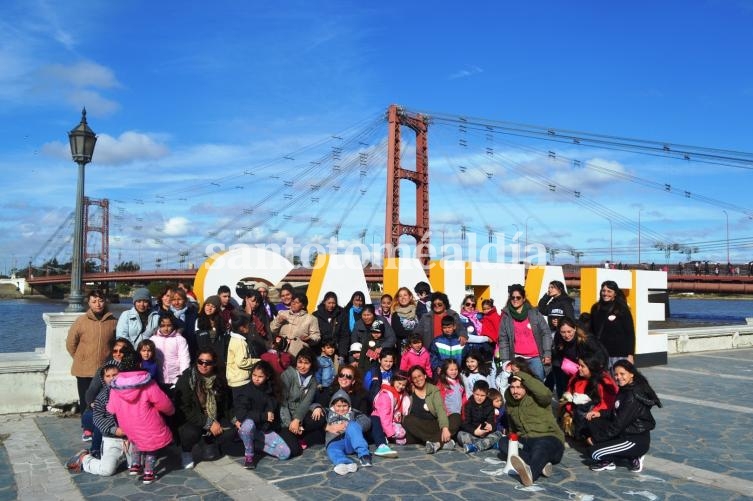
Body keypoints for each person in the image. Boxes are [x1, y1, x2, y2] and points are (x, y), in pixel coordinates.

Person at [107, 348, 175, 485]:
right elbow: (163, 403)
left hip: (127, 424)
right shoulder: (147, 382)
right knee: (151, 447)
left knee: (136, 440)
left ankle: (135, 464)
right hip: (148, 422)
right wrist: (171, 411)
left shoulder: (116, 385)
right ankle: (149, 472)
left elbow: (111, 408)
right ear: (139, 364)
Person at [587, 360, 662, 473]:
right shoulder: (625, 389)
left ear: (631, 374)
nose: (618, 377)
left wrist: (596, 439)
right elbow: (617, 412)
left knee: (594, 453)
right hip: (624, 432)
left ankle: (634, 456)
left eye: (622, 374)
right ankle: (613, 457)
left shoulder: (633, 396)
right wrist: (600, 413)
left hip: (634, 439)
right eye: (616, 375)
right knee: (593, 420)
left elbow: (618, 425)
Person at [66, 290, 117, 440]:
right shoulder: (81, 321)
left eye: (100, 300)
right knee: (86, 400)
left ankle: (101, 426)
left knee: (103, 400)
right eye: (94, 301)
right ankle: (87, 428)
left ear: (105, 301)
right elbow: (70, 343)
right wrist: (80, 358)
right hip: (83, 369)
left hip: (104, 371)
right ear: (88, 303)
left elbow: (116, 343)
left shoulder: (113, 321)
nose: (98, 304)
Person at [173, 347, 235, 470]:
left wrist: (235, 420)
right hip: (191, 419)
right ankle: (186, 451)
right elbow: (184, 409)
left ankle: (208, 441)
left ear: (214, 363)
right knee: (191, 433)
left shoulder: (219, 379)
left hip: (213, 416)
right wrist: (208, 423)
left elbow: (227, 405)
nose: (203, 365)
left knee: (232, 430)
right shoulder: (187, 379)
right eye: (200, 361)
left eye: (208, 363)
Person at [499, 371, 565, 487]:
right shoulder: (510, 403)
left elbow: (546, 394)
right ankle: (541, 464)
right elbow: (512, 427)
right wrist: (512, 438)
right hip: (526, 441)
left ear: (526, 387)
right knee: (504, 442)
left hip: (549, 438)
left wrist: (521, 375)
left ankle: (531, 474)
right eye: (512, 387)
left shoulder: (537, 398)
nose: (515, 391)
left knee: (541, 446)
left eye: (519, 387)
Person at [66, 359, 130, 476]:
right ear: (103, 378)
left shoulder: (131, 392)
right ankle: (85, 458)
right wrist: (114, 430)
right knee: (107, 470)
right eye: (108, 376)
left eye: (115, 374)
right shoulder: (102, 397)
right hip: (112, 439)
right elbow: (98, 418)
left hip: (131, 438)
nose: (112, 378)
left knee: (135, 466)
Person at [233, 360, 293, 469]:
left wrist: (269, 416)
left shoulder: (272, 389)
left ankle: (253, 443)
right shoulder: (246, 390)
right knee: (248, 425)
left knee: (285, 453)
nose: (256, 378)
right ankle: (249, 456)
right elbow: (242, 414)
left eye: (260, 376)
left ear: (267, 376)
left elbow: (272, 407)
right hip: (249, 426)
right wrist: (264, 416)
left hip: (263, 430)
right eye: (254, 375)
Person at [496, 284, 552, 381]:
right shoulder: (506, 316)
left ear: (524, 298)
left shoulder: (534, 313)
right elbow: (503, 340)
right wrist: (505, 361)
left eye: (518, 297)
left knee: (537, 388)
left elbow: (546, 333)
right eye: (513, 297)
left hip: (536, 358)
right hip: (517, 359)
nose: (515, 300)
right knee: (518, 387)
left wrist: (547, 353)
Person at [559, 352, 618, 441]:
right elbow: (567, 393)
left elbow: (607, 405)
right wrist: (568, 406)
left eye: (582, 366)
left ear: (591, 367)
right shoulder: (576, 377)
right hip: (578, 413)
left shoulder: (603, 382)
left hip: (596, 416)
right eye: (579, 365)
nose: (579, 368)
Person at [402, 365, 456, 454]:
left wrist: (445, 428)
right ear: (412, 380)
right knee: (407, 420)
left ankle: (434, 442)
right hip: (418, 426)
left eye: (419, 376)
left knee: (456, 417)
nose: (418, 379)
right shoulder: (409, 390)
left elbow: (440, 409)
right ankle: (440, 442)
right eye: (414, 378)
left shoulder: (433, 389)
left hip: (434, 425)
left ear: (425, 376)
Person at [550, 317, 607, 399]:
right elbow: (558, 353)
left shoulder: (586, 339)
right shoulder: (558, 337)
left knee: (588, 395)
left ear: (575, 329)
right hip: (571, 371)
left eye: (569, 331)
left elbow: (601, 355)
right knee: (568, 393)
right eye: (563, 332)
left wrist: (595, 371)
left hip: (589, 371)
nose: (567, 335)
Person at [589, 280, 636, 369]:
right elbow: (591, 331)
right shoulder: (595, 308)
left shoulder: (622, 309)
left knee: (618, 381)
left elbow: (630, 333)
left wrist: (630, 355)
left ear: (615, 293)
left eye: (609, 291)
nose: (605, 293)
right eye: (603, 291)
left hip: (619, 354)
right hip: (600, 354)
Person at [280, 348, 323, 446]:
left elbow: (306, 402)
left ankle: (299, 432)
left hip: (300, 415)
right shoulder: (288, 375)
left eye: (306, 363)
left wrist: (297, 420)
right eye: (300, 362)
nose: (302, 366)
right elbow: (282, 402)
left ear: (312, 364)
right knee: (292, 446)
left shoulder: (313, 380)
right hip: (285, 415)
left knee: (320, 418)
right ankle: (297, 433)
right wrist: (290, 424)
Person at [324, 390, 373, 475]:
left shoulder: (353, 412)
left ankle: (364, 455)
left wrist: (352, 426)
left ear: (349, 405)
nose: (341, 409)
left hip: (350, 441)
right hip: (334, 441)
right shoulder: (328, 412)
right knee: (332, 450)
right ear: (333, 405)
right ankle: (343, 463)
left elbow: (367, 421)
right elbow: (313, 406)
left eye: (344, 406)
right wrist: (316, 408)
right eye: (338, 406)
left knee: (353, 425)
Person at [457, 380, 503, 454]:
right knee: (460, 435)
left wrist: (491, 426)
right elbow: (464, 423)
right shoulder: (467, 404)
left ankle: (475, 447)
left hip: (486, 434)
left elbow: (493, 422)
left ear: (487, 394)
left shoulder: (490, 404)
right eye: (477, 394)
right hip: (472, 433)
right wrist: (475, 432)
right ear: (473, 392)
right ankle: (489, 444)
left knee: (498, 433)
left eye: (482, 395)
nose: (479, 398)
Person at [371, 371, 409, 458]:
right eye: (399, 383)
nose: (401, 387)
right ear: (393, 381)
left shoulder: (399, 394)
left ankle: (392, 437)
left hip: (390, 420)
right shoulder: (386, 395)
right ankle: (384, 442)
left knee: (401, 433)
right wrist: (390, 432)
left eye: (403, 385)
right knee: (397, 433)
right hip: (379, 419)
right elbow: (384, 415)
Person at [151, 312, 191, 392]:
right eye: (162, 326)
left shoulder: (180, 339)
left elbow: (184, 360)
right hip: (158, 379)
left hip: (175, 380)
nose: (166, 328)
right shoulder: (153, 339)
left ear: (173, 326)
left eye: (169, 325)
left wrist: (182, 378)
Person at [226, 311, 259, 397]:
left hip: (236, 379)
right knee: (243, 405)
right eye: (248, 325)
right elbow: (241, 362)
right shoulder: (240, 342)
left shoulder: (234, 339)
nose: (250, 327)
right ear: (242, 328)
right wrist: (258, 361)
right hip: (240, 381)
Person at [195, 295, 230, 372]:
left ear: (217, 309)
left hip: (219, 362)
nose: (209, 308)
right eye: (207, 305)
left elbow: (224, 343)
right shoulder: (198, 321)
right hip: (204, 362)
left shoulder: (221, 322)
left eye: (213, 306)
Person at [170, 288, 199, 360]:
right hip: (173, 354)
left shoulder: (193, 313)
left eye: (179, 299)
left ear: (185, 300)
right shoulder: (167, 315)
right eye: (173, 300)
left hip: (191, 351)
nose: (176, 302)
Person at [313, 292, 343, 357]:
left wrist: (342, 354)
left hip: (335, 351)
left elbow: (344, 335)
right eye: (329, 303)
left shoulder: (341, 315)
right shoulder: (316, 315)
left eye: (333, 303)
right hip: (319, 350)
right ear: (324, 302)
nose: (331, 305)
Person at [340, 291, 366, 361]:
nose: (358, 303)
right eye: (356, 300)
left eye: (361, 301)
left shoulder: (366, 313)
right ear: (352, 300)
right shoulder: (345, 312)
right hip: (348, 343)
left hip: (361, 343)